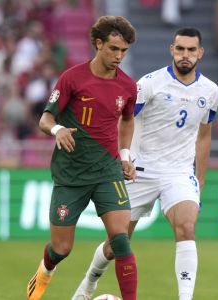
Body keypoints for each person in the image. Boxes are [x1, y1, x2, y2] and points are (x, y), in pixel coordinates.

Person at [72, 27, 218, 300]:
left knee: (187, 226)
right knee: (117, 243)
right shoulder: (150, 84)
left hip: (179, 172)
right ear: (171, 50)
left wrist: (200, 178)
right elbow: (122, 120)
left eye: (191, 50)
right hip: (140, 170)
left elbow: (204, 135)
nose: (185, 55)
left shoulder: (210, 90)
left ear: (200, 53)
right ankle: (89, 282)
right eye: (180, 49)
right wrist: (122, 157)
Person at [26, 16, 139, 300]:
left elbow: (127, 121)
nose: (119, 56)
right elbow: (45, 118)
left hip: (107, 171)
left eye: (124, 50)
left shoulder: (127, 86)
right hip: (71, 175)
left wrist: (125, 155)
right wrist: (58, 129)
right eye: (114, 49)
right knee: (61, 249)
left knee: (121, 240)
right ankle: (45, 270)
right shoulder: (72, 78)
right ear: (98, 44)